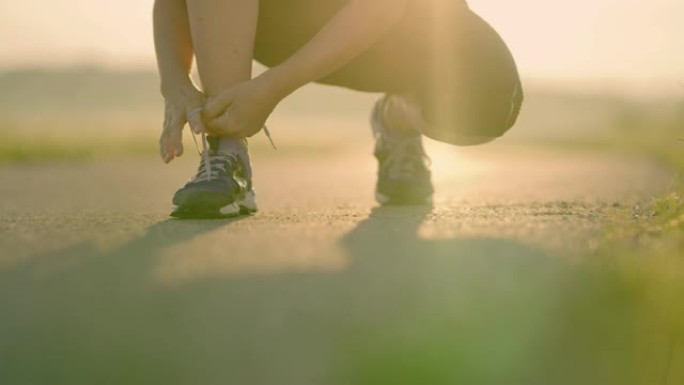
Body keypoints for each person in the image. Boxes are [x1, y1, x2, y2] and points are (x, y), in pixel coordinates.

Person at [153, 0, 523, 219]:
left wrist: (271, 89)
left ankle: (399, 115)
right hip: (282, 19)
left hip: (410, 25)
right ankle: (227, 152)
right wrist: (174, 83)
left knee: (492, 106)